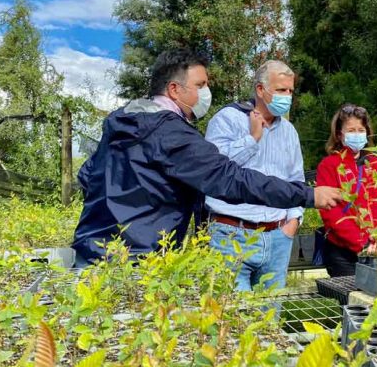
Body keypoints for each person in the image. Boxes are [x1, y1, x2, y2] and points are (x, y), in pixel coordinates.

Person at [72, 49, 342, 266]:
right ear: (175, 89)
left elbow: (87, 175)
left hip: (92, 252)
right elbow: (229, 178)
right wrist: (308, 196)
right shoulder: (170, 133)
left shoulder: (123, 120)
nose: (205, 93)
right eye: (200, 85)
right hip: (137, 261)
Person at [205, 60, 304, 291]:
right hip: (231, 234)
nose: (287, 96)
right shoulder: (227, 119)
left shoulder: (289, 131)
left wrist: (293, 221)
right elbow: (213, 173)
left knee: (269, 319)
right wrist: (252, 139)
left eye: (290, 91)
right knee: (230, 320)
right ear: (260, 89)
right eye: (281, 90)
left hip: (278, 236)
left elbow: (296, 179)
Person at [316, 104, 377, 277]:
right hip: (343, 252)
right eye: (351, 130)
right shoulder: (329, 165)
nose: (357, 134)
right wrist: (361, 243)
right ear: (340, 135)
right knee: (350, 300)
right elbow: (331, 212)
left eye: (360, 130)